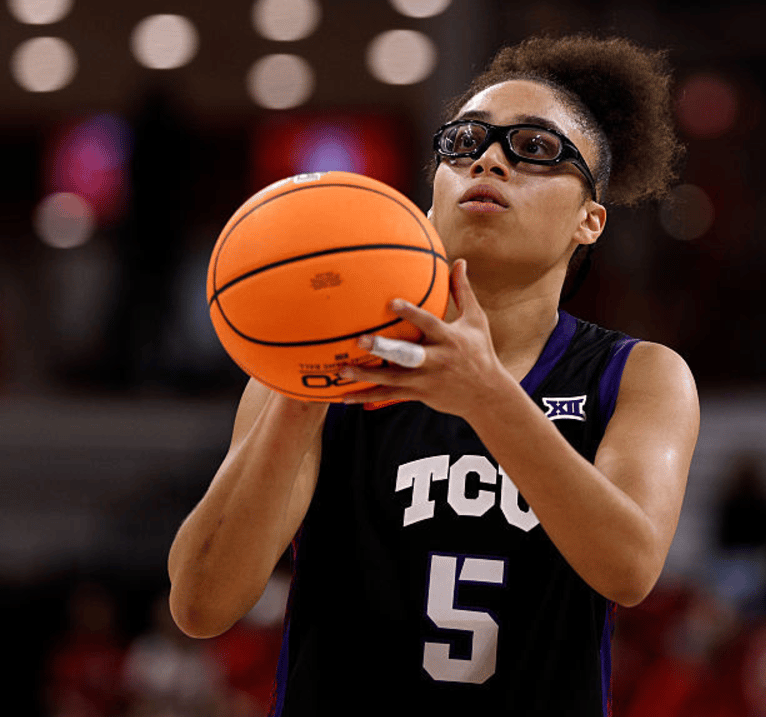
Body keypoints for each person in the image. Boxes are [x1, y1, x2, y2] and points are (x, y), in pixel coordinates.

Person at [167, 34, 699, 716]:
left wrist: (488, 396)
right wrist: (306, 392)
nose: (490, 159)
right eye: (465, 142)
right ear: (431, 196)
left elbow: (629, 568)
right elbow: (200, 605)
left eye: (535, 147)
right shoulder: (314, 366)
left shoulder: (637, 375)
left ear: (589, 221)